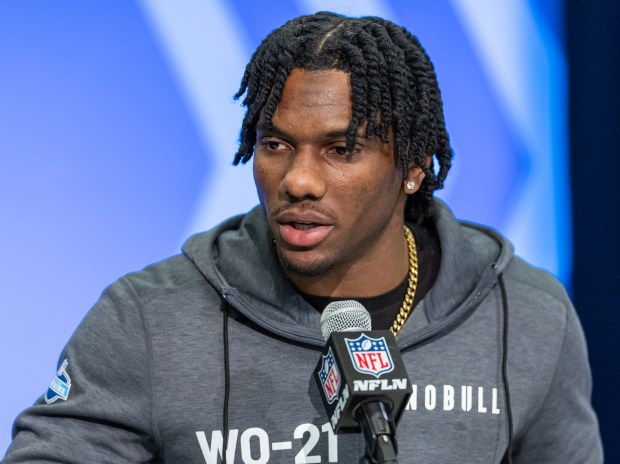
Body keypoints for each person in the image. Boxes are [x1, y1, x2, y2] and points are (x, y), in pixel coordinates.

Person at [3, 11, 602, 464]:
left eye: (342, 150)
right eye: (275, 144)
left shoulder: (525, 315)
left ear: (414, 167)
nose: (299, 180)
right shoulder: (147, 320)